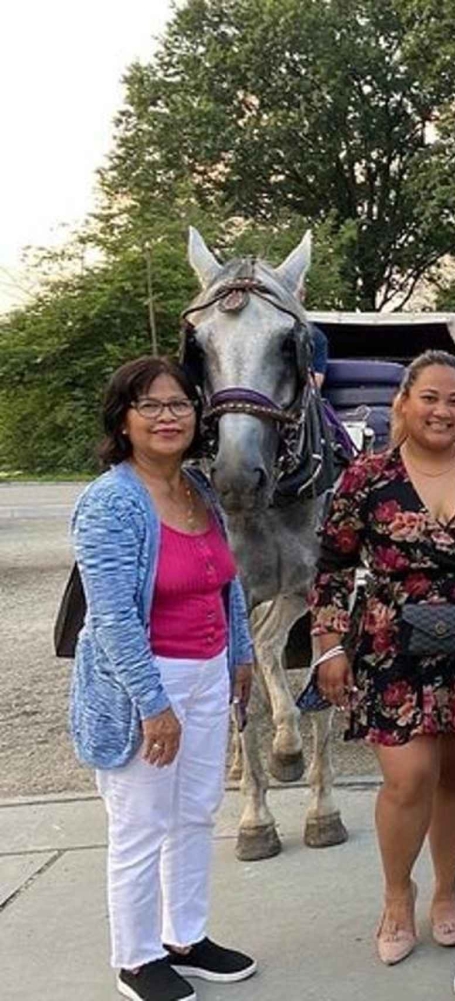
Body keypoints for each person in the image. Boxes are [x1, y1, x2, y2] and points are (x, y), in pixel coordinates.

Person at [309, 350, 455, 966]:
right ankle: (398, 896)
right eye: (430, 397)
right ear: (404, 402)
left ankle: (447, 892)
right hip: (390, 644)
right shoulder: (367, 476)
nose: (442, 411)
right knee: (408, 777)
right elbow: (332, 567)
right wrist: (329, 646)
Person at [70, 356, 258, 1001]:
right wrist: (154, 705)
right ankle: (136, 957)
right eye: (149, 405)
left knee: (196, 811)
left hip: (207, 674)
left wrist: (240, 655)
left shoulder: (199, 489)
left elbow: (224, 583)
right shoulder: (111, 503)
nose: (167, 417)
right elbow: (112, 617)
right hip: (144, 685)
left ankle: (186, 936)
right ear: (122, 420)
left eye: (179, 403)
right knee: (141, 823)